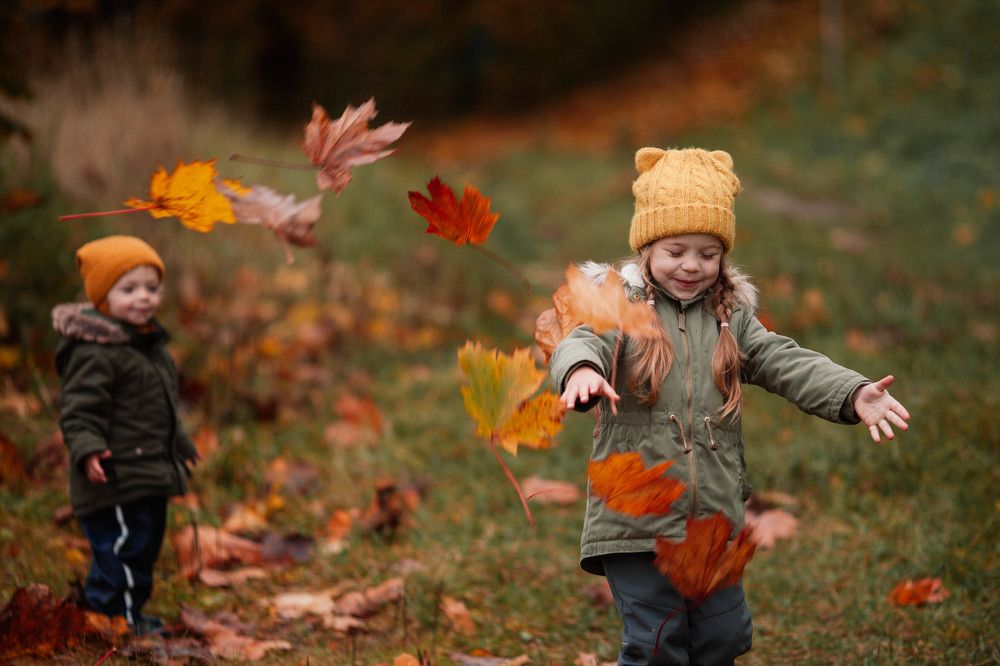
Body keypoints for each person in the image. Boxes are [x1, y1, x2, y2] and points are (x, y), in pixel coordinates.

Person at [550, 148, 910, 665]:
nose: (692, 265)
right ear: (647, 246)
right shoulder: (619, 305)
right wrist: (582, 370)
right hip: (636, 516)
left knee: (724, 638)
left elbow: (782, 359)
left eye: (708, 252)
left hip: (712, 520)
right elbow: (583, 339)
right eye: (676, 250)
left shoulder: (731, 317)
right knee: (658, 644)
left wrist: (851, 392)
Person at [53, 235, 198, 635]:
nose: (144, 298)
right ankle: (112, 617)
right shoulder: (95, 351)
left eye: (151, 288)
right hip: (114, 475)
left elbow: (159, 408)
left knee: (144, 545)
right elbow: (79, 410)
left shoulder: (147, 346)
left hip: (147, 470)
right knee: (122, 549)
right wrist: (87, 450)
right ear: (103, 298)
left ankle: (125, 613)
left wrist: (179, 445)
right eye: (129, 289)